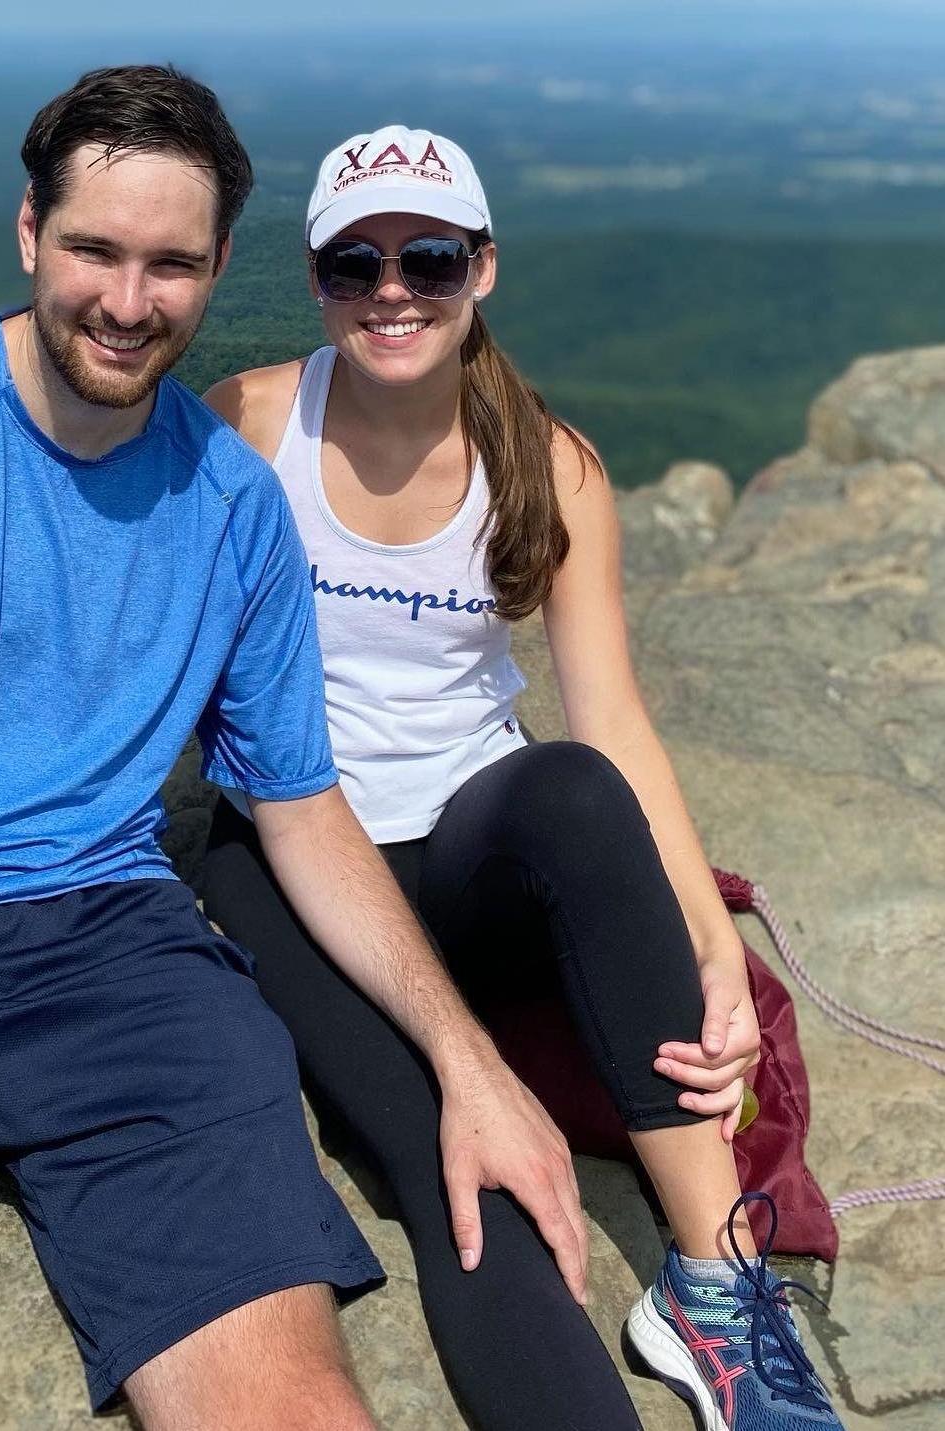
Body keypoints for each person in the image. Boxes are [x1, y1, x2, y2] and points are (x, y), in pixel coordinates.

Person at [0, 79, 594, 1431]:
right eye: (95, 250)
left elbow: (302, 811)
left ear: (216, 273)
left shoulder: (233, 507)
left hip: (112, 958)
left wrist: (469, 1070)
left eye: (172, 264)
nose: (129, 301)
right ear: (29, 231)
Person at [202, 125, 847, 1431]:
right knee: (463, 1175)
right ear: (317, 278)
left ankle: (713, 1284)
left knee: (568, 787)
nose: (393, 290)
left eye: (429, 258)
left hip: (470, 860)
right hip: (286, 852)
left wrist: (701, 936)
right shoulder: (249, 426)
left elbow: (609, 720)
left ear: (483, 269)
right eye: (354, 262)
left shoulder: (551, 467)